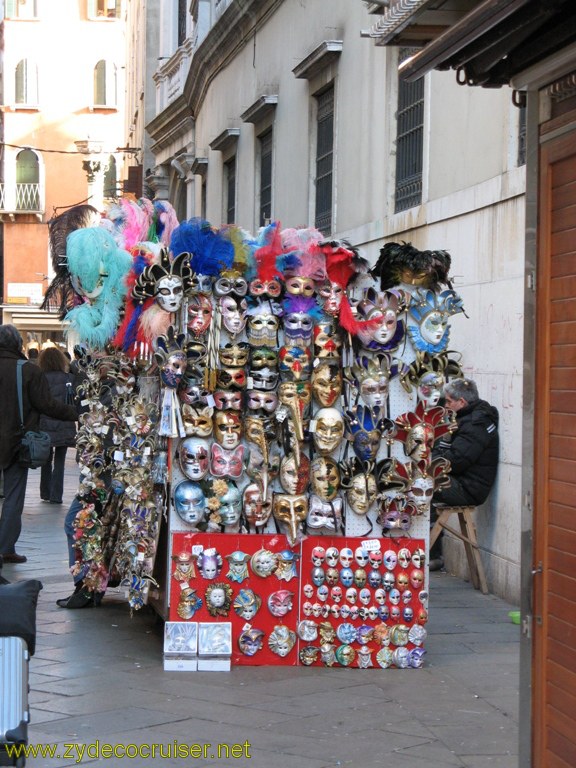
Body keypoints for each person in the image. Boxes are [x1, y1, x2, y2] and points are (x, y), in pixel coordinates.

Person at [0, 324, 78, 563]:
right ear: (17, 345)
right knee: (14, 496)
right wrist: (75, 413)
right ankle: (5, 547)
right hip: (16, 442)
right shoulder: (27, 371)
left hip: (12, 440)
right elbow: (47, 405)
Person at [429, 377, 499, 571]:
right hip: (461, 480)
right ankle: (430, 553)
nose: (447, 405)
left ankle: (431, 555)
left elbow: (453, 462)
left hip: (469, 488)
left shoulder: (476, 423)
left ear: (462, 402)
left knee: (423, 486)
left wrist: (440, 447)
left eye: (450, 401)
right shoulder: (466, 418)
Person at [38, 347, 77, 505]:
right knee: (60, 460)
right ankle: (56, 495)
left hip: (46, 423)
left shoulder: (40, 378)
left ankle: (45, 491)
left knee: (45, 459)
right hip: (64, 423)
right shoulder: (69, 378)